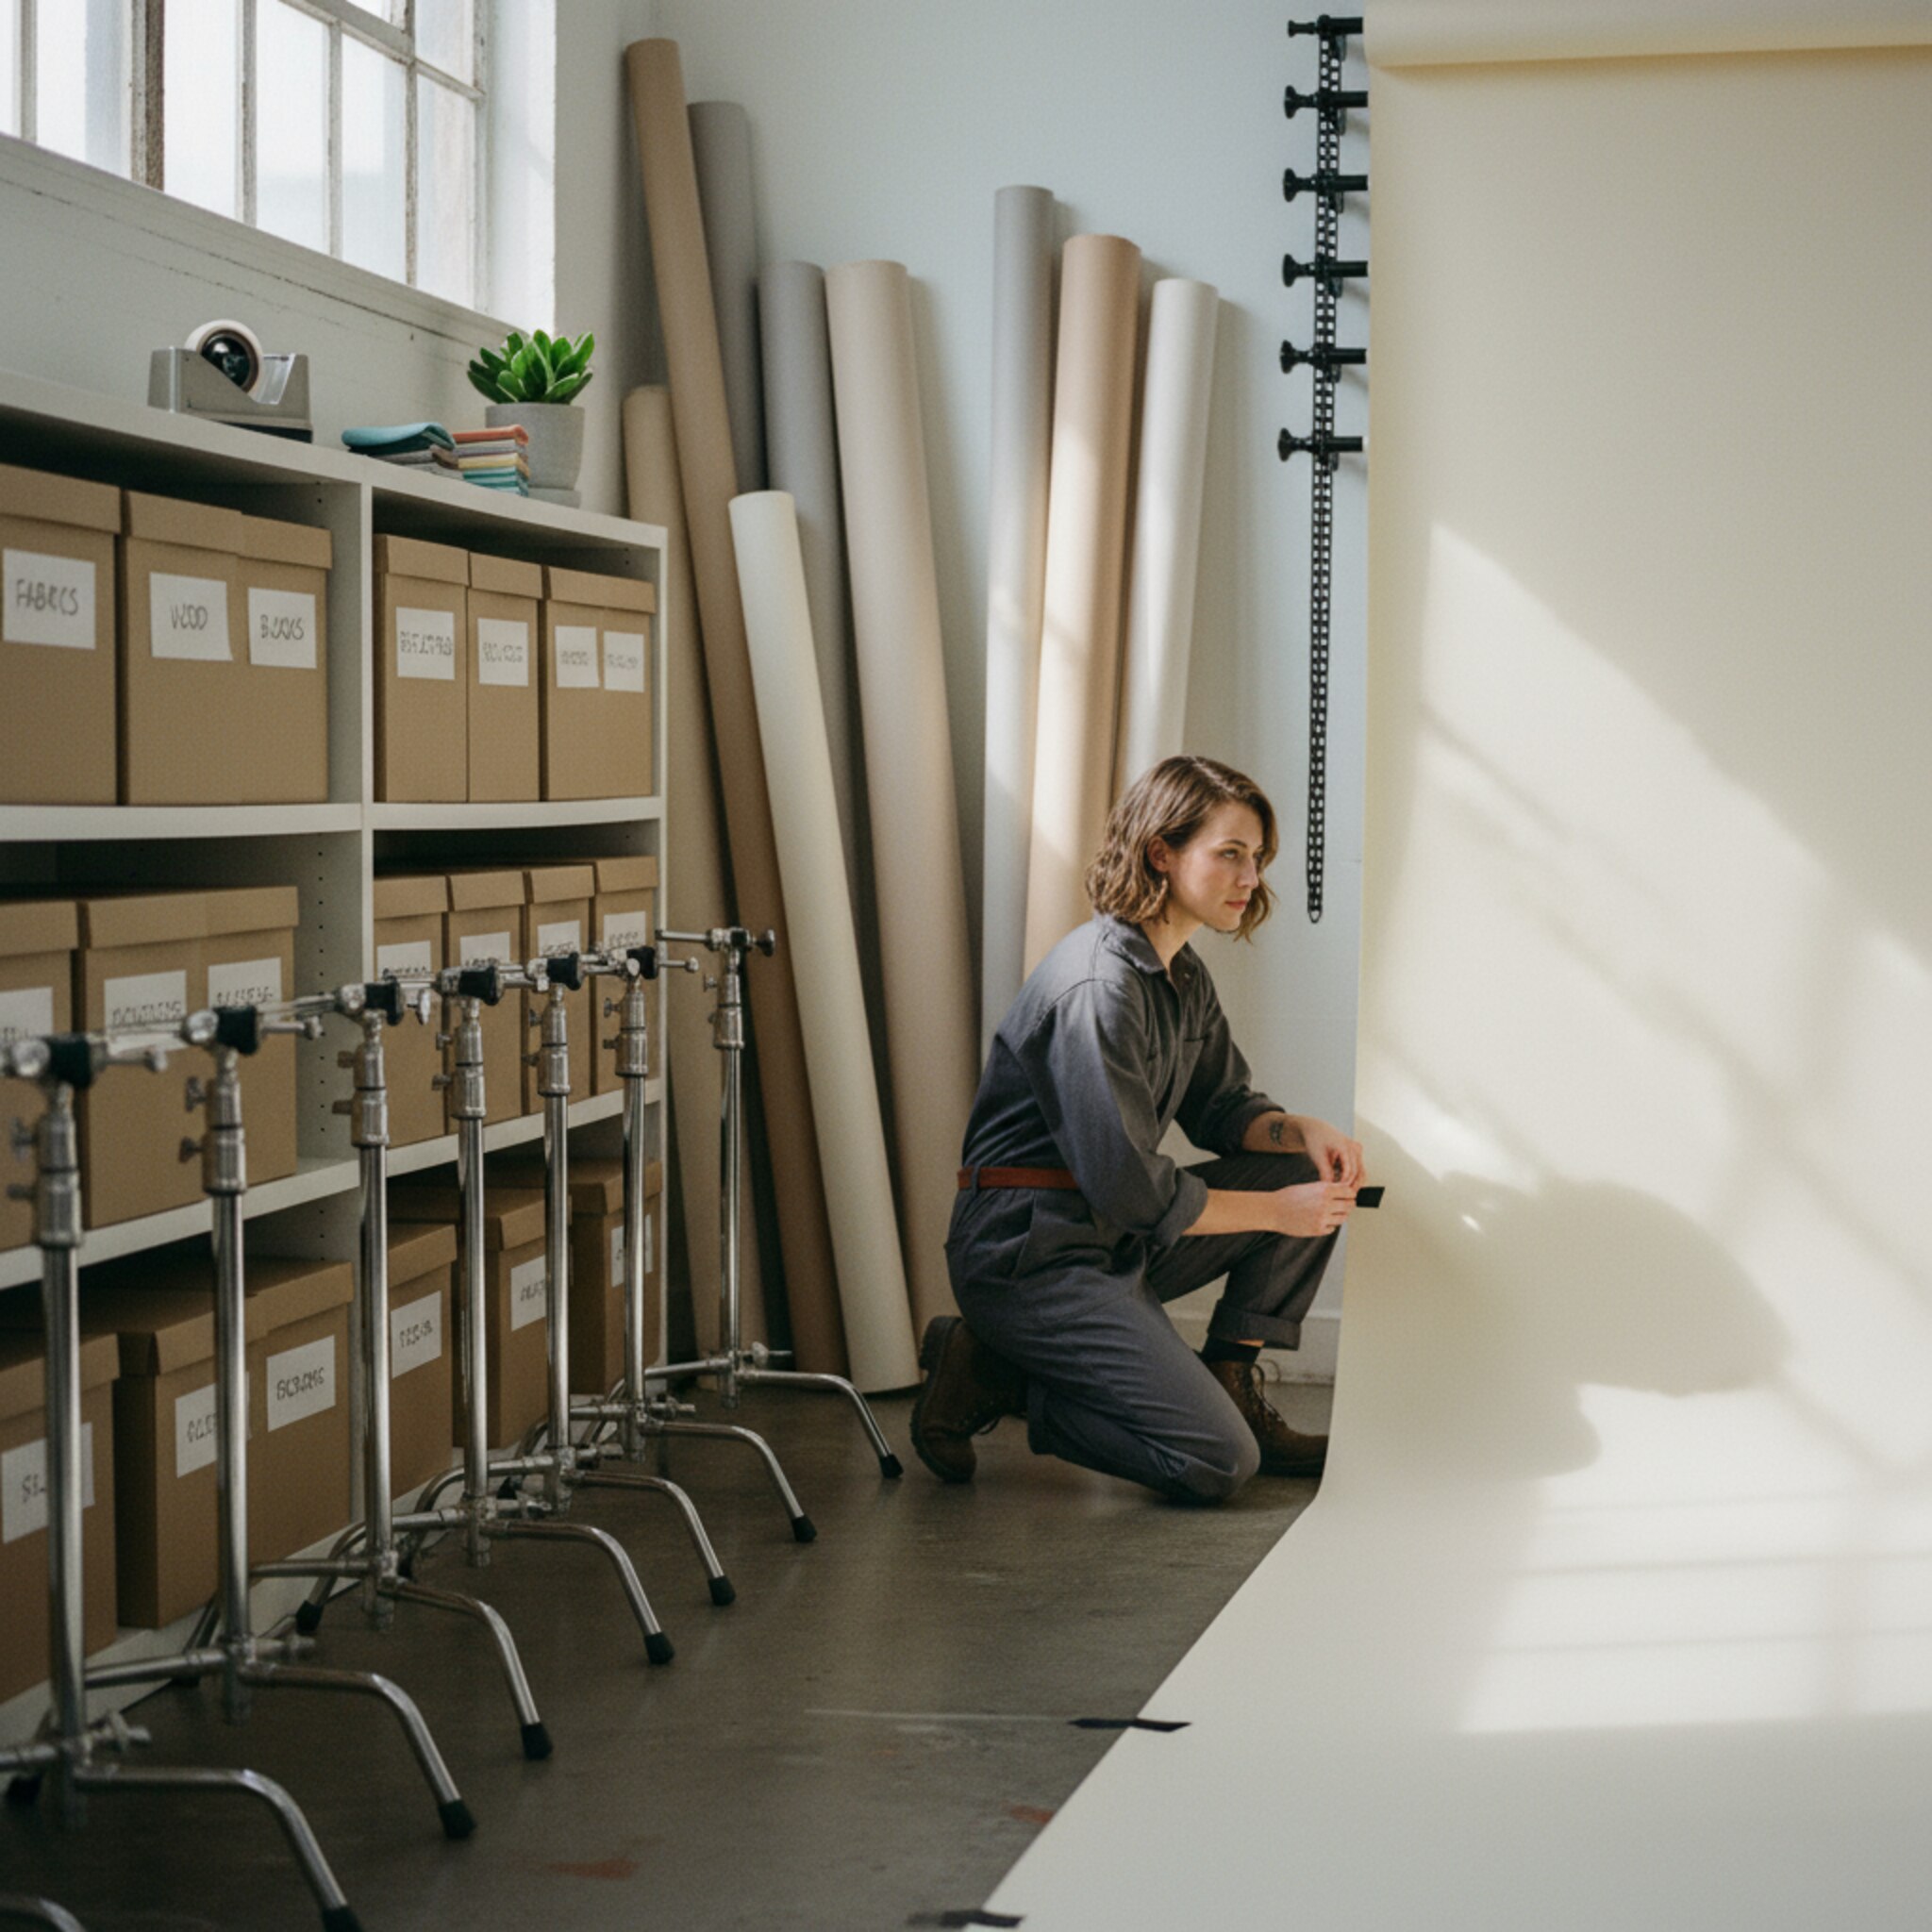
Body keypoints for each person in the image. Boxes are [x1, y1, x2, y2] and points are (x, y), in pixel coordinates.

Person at [913, 755, 1363, 1504]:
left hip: (1112, 1239)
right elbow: (1131, 1187)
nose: (1251, 878)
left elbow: (1224, 1109)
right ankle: (1004, 1374)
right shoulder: (1098, 988)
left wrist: (1300, 1132)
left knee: (1305, 1178)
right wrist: (1280, 1214)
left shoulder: (1182, 975)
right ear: (1163, 852)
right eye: (1230, 854)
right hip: (1033, 1255)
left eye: (1257, 858)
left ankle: (1230, 1379)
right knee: (1221, 1463)